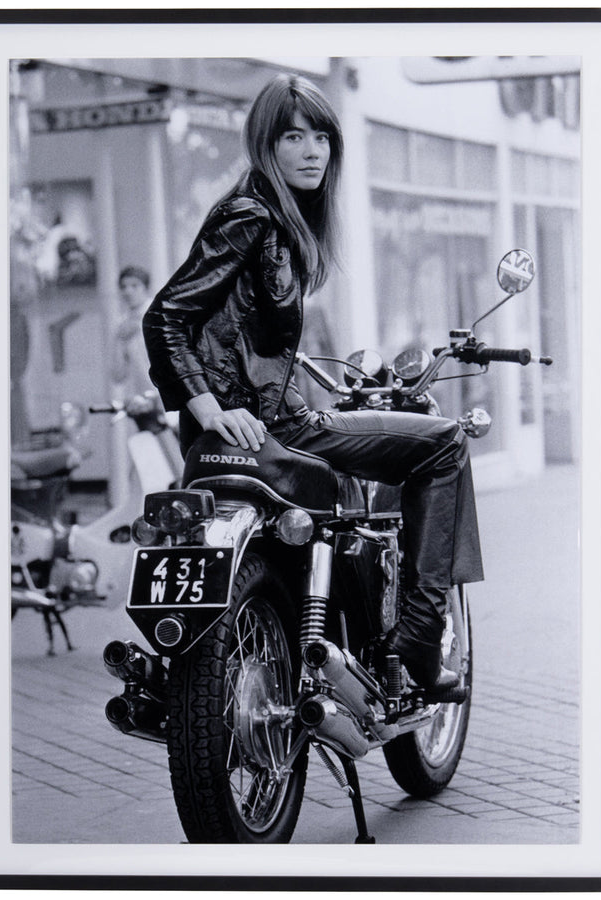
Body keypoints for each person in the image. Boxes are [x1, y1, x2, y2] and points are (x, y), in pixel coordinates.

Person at [144, 74, 483, 696]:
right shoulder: (252, 215)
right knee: (445, 443)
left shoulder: (271, 218)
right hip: (275, 426)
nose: (311, 150)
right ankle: (419, 638)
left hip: (262, 417)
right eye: (293, 136)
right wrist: (208, 404)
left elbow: (242, 336)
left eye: (322, 136)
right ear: (265, 144)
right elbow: (166, 315)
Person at [111, 265, 154, 395]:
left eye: (135, 286)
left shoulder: (160, 316)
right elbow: (118, 375)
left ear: (146, 288)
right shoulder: (121, 324)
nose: (128, 291)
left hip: (170, 397)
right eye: (123, 287)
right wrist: (120, 340)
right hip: (141, 399)